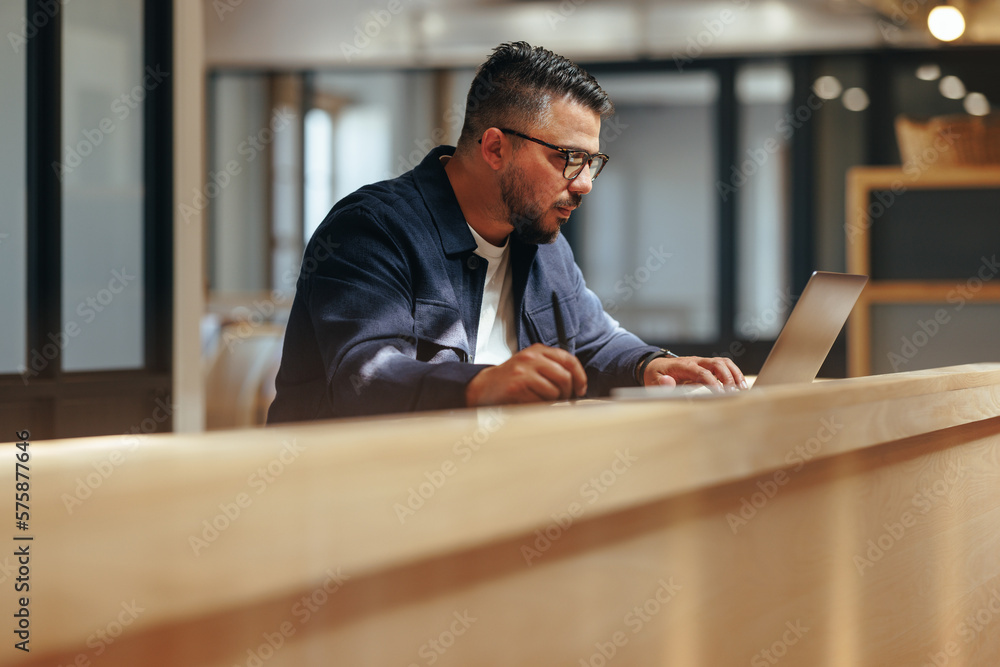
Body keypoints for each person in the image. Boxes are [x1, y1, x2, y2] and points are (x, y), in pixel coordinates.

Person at [267, 41, 745, 423]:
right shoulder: (372, 229)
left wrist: (653, 365)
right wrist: (481, 386)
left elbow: (593, 341)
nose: (584, 184)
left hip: (493, 491)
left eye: (592, 162)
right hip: (356, 509)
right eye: (569, 159)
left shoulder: (540, 241)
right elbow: (365, 378)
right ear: (495, 148)